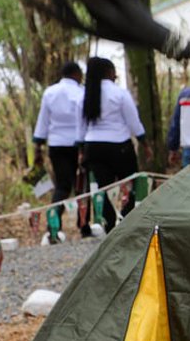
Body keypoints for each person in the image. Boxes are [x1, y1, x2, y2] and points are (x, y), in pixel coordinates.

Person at [78, 56, 151, 233]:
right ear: (109, 72)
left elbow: (80, 127)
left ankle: (110, 224)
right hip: (119, 146)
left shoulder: (85, 96)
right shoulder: (119, 93)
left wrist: (81, 150)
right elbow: (133, 122)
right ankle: (127, 217)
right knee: (130, 184)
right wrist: (144, 143)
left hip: (93, 147)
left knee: (103, 189)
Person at [33, 60, 92, 238]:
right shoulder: (82, 92)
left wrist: (38, 144)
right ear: (77, 74)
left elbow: (43, 120)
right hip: (78, 144)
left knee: (62, 186)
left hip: (56, 144)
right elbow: (85, 120)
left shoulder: (50, 92)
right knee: (81, 187)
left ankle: (53, 226)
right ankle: (84, 226)